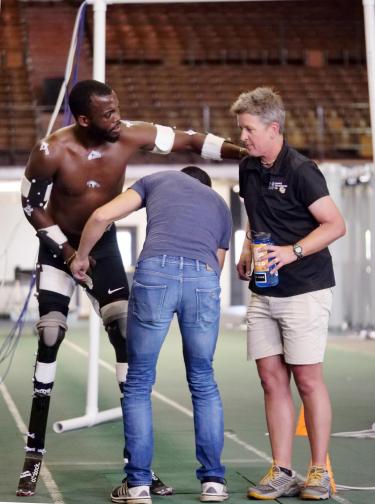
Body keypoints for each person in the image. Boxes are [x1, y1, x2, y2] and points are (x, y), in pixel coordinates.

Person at [18, 79, 245, 497]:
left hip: (101, 248)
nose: (116, 118)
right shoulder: (51, 150)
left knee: (126, 340)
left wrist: (241, 152)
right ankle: (34, 451)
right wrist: (68, 253)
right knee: (50, 335)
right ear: (83, 119)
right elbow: (31, 205)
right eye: (107, 114)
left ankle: (135, 469)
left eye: (117, 109)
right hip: (59, 249)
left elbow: (190, 141)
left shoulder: (130, 134)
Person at [70, 166, 232, 504]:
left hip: (157, 272)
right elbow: (216, 266)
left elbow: (101, 216)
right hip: (203, 279)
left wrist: (81, 257)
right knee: (203, 380)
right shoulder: (219, 204)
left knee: (139, 381)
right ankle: (213, 483)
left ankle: (139, 485)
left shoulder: (160, 179)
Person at [231, 87, 346, 501]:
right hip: (264, 290)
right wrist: (247, 249)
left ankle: (318, 472)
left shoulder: (301, 169)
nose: (242, 136)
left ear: (273, 128)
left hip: (306, 289)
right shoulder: (248, 168)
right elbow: (254, 213)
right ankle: (281, 470)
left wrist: (291, 252)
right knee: (270, 378)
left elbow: (335, 225)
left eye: (248, 129)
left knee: (308, 379)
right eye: (240, 128)